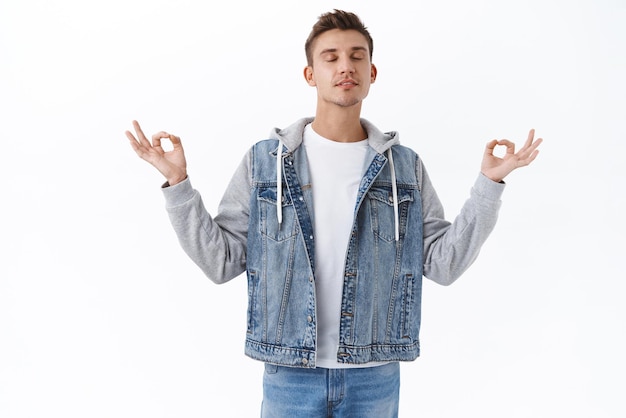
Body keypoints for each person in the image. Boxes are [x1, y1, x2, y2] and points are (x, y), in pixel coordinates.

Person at [125, 9, 542, 418]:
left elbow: (442, 264)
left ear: (372, 73)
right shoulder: (265, 162)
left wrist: (489, 186)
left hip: (374, 374)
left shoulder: (404, 168)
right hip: (289, 372)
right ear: (311, 74)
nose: (346, 66)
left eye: (357, 56)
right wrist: (177, 185)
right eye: (331, 57)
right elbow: (221, 261)